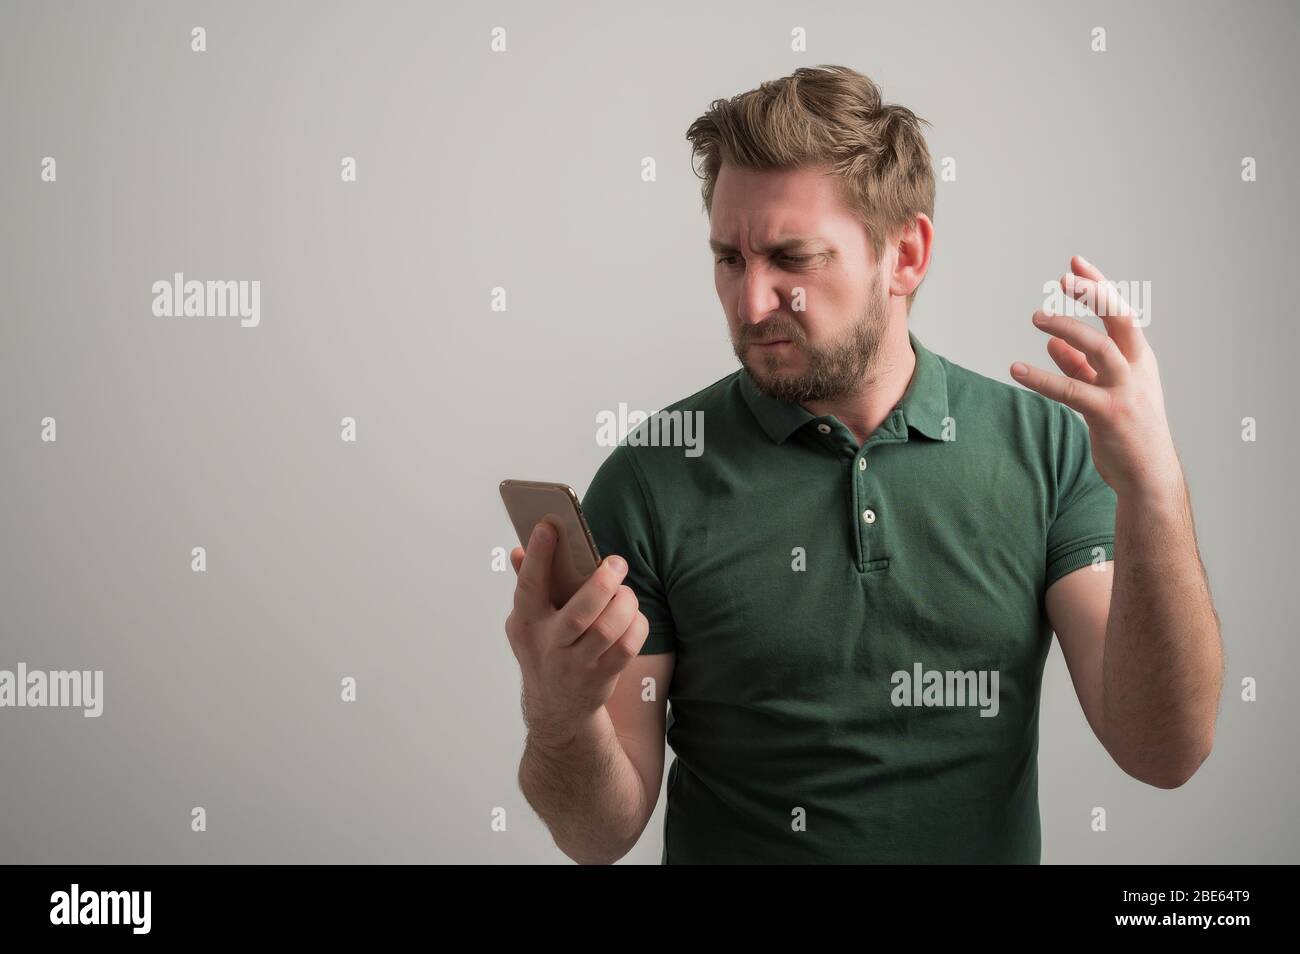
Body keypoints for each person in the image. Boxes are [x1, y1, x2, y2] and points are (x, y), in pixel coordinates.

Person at [504, 65, 1224, 864]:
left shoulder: (1048, 451)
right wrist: (560, 717)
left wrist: (1154, 488)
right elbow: (598, 835)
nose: (749, 304)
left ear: (905, 254)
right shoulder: (651, 477)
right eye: (729, 260)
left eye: (792, 258)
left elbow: (1163, 750)